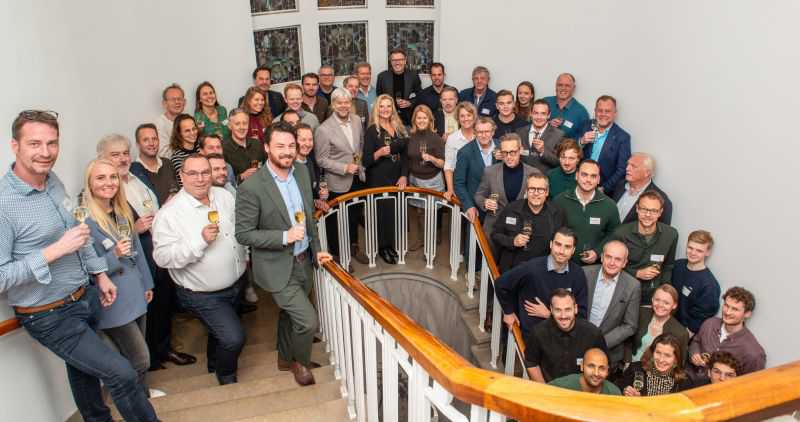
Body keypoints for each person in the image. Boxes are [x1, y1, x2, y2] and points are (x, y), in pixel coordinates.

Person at [0, 110, 158, 421]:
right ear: (15, 146)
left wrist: (99, 273)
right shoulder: (4, 204)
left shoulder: (53, 182)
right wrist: (54, 251)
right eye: (34, 144)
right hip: (49, 314)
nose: (45, 152)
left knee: (84, 374)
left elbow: (78, 230)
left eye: (52, 143)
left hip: (84, 298)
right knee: (122, 374)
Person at [235, 122, 333, 386]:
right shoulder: (251, 187)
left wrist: (316, 250)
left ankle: (284, 358)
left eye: (291, 145)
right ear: (267, 147)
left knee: (291, 315)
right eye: (280, 146)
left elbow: (309, 218)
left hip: (304, 262)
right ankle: (299, 362)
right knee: (308, 321)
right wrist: (283, 237)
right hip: (276, 265)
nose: (287, 151)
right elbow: (243, 234)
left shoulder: (301, 171)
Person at [152, 154, 248, 385]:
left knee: (219, 332)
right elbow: (162, 257)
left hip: (236, 283)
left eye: (205, 172)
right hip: (202, 294)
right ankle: (226, 378)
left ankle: (214, 364)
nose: (201, 178)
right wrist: (200, 241)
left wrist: (245, 256)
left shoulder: (224, 196)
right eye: (193, 173)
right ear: (182, 176)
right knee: (233, 338)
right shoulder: (169, 214)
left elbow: (237, 231)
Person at [83, 158, 156, 398]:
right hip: (112, 298)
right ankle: (134, 402)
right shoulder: (84, 221)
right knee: (140, 358)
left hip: (135, 291)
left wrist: (147, 283)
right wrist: (113, 255)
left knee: (138, 353)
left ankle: (142, 396)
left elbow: (138, 252)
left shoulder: (122, 213)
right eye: (100, 178)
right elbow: (85, 267)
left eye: (113, 177)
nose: (109, 183)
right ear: (89, 184)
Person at [128, 124, 196, 369]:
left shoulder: (166, 164)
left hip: (170, 237)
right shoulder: (134, 172)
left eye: (154, 138)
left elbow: (178, 188)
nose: (151, 143)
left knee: (167, 300)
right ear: (138, 144)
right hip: (145, 247)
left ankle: (165, 350)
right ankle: (150, 358)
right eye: (145, 139)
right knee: (152, 303)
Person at [495, 228, 589, 336]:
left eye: (567, 247)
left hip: (564, 338)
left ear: (573, 250)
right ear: (551, 244)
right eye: (558, 244)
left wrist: (549, 315)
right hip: (533, 338)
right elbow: (500, 284)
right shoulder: (532, 268)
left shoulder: (578, 274)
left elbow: (581, 316)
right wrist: (508, 312)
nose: (561, 251)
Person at [314, 88, 368, 266]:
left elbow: (359, 146)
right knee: (336, 222)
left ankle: (353, 247)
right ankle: (338, 256)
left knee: (354, 216)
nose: (344, 106)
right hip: (337, 182)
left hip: (357, 179)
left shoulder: (357, 120)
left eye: (346, 102)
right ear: (333, 105)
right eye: (339, 103)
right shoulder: (323, 129)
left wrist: (359, 165)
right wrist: (344, 168)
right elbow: (321, 160)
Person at [524, 289, 607, 383]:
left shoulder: (593, 334)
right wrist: (544, 388)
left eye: (567, 309)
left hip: (582, 389)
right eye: (558, 310)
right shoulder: (539, 332)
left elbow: (604, 364)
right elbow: (531, 362)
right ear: (551, 310)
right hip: (550, 387)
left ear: (575, 309)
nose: (563, 316)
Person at [609, 191, 678, 303]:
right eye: (644, 209)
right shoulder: (620, 233)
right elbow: (610, 265)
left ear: (660, 212)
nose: (648, 215)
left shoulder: (671, 235)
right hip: (623, 292)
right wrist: (637, 273)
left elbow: (668, 266)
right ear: (637, 209)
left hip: (653, 296)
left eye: (654, 211)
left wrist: (664, 292)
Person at [363, 94, 409, 264]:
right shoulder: (371, 131)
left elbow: (406, 155)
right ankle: (383, 248)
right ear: (377, 109)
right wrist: (378, 153)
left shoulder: (399, 128)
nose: (385, 109)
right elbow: (366, 161)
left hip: (396, 178)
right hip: (378, 179)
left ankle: (391, 245)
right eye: (381, 106)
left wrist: (404, 175)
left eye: (388, 106)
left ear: (393, 109)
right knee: (381, 216)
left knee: (394, 214)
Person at [688, 287, 766, 382]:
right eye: (726, 305)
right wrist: (694, 353)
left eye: (735, 309)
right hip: (688, 378)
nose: (727, 312)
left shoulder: (753, 353)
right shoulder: (710, 323)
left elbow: (751, 384)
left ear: (747, 314)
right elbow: (696, 341)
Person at [583, 241, 641, 369]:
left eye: (618, 259)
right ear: (602, 257)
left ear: (624, 263)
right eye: (608, 257)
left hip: (609, 352)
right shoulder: (584, 273)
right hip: (578, 343)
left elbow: (630, 325)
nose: (612, 262)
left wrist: (602, 342)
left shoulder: (633, 286)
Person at [491, 173, 565, 272]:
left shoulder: (556, 213)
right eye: (532, 189)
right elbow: (495, 234)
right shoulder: (511, 209)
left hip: (543, 271)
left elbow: (562, 242)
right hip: (513, 270)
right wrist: (512, 241)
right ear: (526, 191)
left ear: (547, 192)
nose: (536, 193)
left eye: (540, 190)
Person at [553, 159, 620, 265]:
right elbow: (552, 231)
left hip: (593, 267)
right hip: (563, 264)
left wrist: (597, 252)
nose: (588, 180)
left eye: (593, 176)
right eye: (584, 175)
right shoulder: (560, 201)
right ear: (576, 176)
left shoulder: (609, 206)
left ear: (598, 179)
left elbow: (614, 234)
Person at [475, 133, 539, 241]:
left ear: (520, 150)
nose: (509, 157)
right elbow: (479, 195)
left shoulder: (534, 173)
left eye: (512, 152)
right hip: (494, 228)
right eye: (505, 153)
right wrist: (485, 202)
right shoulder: (490, 172)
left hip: (522, 230)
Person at [403, 105, 446, 251]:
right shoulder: (410, 136)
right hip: (414, 180)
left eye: (424, 118)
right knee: (414, 212)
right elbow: (408, 158)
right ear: (414, 120)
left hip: (431, 181)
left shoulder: (436, 138)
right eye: (419, 117)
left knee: (429, 216)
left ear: (430, 120)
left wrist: (432, 159)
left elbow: (443, 163)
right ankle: (416, 241)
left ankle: (429, 246)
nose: (421, 120)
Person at [672, 230, 721, 335]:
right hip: (666, 320)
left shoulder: (709, 285)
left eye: (699, 251)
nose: (693, 253)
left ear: (707, 252)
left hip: (682, 332)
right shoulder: (677, 265)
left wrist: (683, 337)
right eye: (690, 248)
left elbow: (699, 321)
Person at [577, 95, 631, 192]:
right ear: (595, 111)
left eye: (607, 111)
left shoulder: (623, 137)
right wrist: (581, 142)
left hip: (601, 189)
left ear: (615, 113)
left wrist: (604, 188)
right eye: (600, 110)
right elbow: (570, 150)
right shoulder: (585, 125)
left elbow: (621, 169)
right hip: (579, 182)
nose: (603, 114)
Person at [630, 284, 689, 364]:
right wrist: (627, 362)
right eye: (657, 300)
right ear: (652, 299)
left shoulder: (681, 333)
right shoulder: (641, 313)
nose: (660, 305)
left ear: (674, 305)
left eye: (666, 303)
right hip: (631, 363)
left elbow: (679, 363)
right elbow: (627, 340)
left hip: (657, 369)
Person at [618, 333, 692, 396]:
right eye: (658, 353)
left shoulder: (684, 382)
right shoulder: (635, 369)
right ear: (652, 353)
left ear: (676, 359)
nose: (661, 360)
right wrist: (625, 391)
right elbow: (618, 387)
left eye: (667, 355)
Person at [609, 152, 672, 224]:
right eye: (628, 164)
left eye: (633, 166)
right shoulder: (620, 185)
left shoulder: (661, 200)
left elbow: (662, 229)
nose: (627, 168)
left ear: (647, 173)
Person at [515, 99, 565, 173]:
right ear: (531, 114)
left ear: (548, 115)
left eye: (543, 114)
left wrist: (543, 151)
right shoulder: (519, 132)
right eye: (536, 113)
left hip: (544, 178)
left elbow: (559, 162)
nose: (539, 117)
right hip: (522, 177)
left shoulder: (559, 135)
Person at [376, 47, 422, 126]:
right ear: (390, 62)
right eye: (394, 60)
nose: (397, 63)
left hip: (408, 119)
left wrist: (410, 103)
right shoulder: (382, 77)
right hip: (388, 119)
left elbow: (420, 95)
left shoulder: (413, 76)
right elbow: (379, 97)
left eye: (400, 59)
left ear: (405, 60)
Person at [444, 102, 478, 201]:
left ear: (474, 117)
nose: (466, 119)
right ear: (458, 119)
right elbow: (448, 166)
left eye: (469, 115)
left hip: (480, 185)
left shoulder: (481, 135)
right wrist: (450, 189)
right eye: (462, 116)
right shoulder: (452, 139)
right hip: (460, 185)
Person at [548, 348, 622, 395]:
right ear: (582, 366)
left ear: (607, 371)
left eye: (601, 368)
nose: (596, 373)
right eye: (591, 366)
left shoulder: (614, 393)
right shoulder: (561, 386)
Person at [222, 108, 266, 184]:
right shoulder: (223, 148)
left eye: (245, 123)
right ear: (230, 126)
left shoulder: (257, 144)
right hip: (237, 189)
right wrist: (241, 177)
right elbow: (222, 181)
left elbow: (266, 166)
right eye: (237, 124)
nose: (242, 127)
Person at [544, 73, 590, 140]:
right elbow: (532, 126)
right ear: (556, 86)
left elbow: (584, 139)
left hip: (567, 146)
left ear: (574, 88)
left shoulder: (581, 112)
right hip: (541, 145)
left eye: (567, 85)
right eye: (560, 85)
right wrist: (547, 125)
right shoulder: (545, 102)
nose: (563, 88)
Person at [155, 83, 186, 158]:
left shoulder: (189, 120)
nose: (177, 102)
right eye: (173, 99)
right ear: (164, 103)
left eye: (179, 99)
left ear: (185, 102)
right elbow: (163, 154)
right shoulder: (160, 124)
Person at [168, 113, 200, 185]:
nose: (192, 133)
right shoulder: (177, 158)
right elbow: (185, 185)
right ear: (179, 134)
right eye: (187, 131)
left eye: (194, 129)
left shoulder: (203, 147)